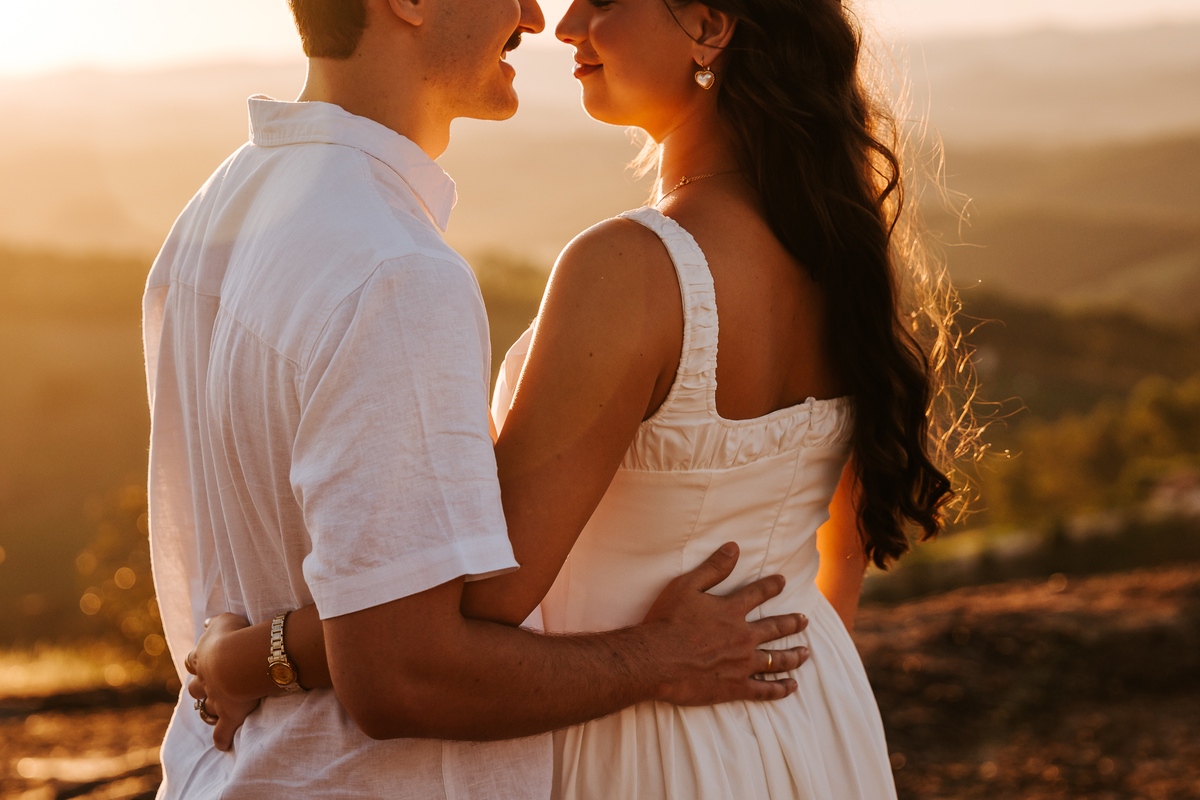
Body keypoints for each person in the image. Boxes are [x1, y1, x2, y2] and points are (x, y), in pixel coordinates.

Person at [188, 0, 967, 795]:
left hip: (650, 745)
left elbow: (481, 593)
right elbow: (838, 554)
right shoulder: (838, 246)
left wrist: (246, 657)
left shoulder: (631, 269)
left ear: (708, 27)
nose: (563, 24)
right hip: (810, 717)